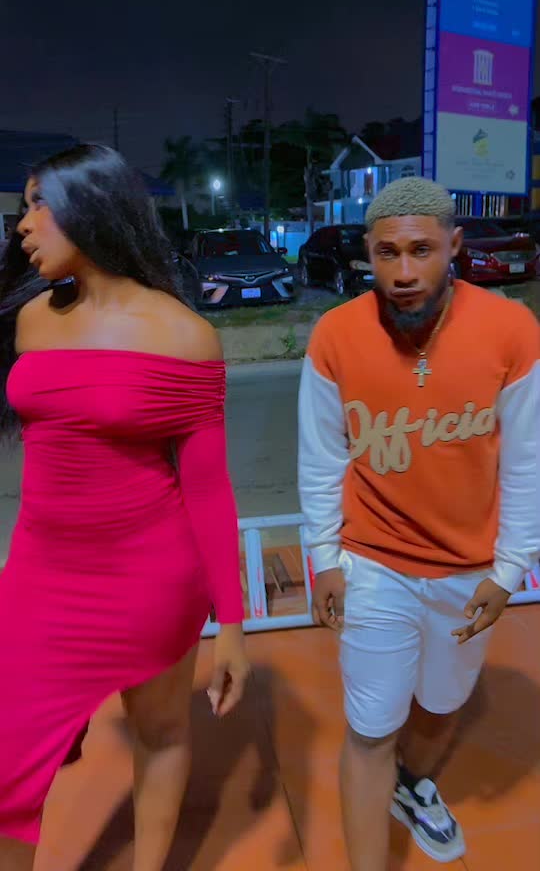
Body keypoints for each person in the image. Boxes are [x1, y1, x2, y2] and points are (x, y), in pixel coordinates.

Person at [0, 145, 248, 871]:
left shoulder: (184, 336)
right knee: (9, 764)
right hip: (40, 573)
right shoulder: (32, 320)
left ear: (93, 207)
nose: (23, 225)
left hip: (150, 578)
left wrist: (233, 628)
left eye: (38, 205)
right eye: (22, 208)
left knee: (162, 732)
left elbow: (208, 488)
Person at [298, 177, 538, 869]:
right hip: (373, 563)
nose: (403, 272)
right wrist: (325, 557)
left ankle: (413, 785)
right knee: (371, 729)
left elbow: (527, 460)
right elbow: (320, 457)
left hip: (469, 568)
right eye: (387, 253)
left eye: (422, 251)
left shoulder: (512, 330)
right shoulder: (336, 334)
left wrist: (510, 568)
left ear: (454, 245)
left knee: (440, 704)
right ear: (367, 252)